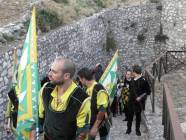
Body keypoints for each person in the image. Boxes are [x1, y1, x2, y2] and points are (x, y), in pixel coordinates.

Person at [39, 58, 91, 140]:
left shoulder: (82, 99)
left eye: (54, 72)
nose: (49, 74)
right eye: (50, 70)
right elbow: (40, 116)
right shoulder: (45, 89)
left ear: (66, 76)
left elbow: (82, 132)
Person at [78, 68, 111, 140]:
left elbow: (102, 110)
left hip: (102, 123)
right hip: (91, 122)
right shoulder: (87, 89)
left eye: (80, 79)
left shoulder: (98, 88)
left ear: (83, 79)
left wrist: (95, 127)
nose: (80, 81)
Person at [126, 65, 151, 136]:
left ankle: (137, 130)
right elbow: (130, 88)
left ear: (135, 72)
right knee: (130, 115)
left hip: (139, 102)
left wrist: (141, 97)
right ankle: (129, 129)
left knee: (138, 116)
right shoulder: (132, 79)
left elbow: (148, 91)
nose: (132, 73)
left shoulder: (144, 80)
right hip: (131, 101)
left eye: (133, 71)